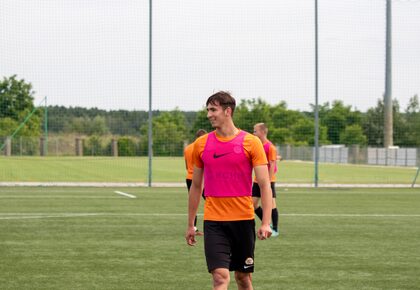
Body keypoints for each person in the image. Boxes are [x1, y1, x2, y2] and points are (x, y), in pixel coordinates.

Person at [185, 91, 272, 290]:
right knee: (220, 277)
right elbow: (196, 186)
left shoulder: (251, 142)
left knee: (243, 278)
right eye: (207, 110)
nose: (209, 114)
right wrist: (191, 224)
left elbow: (264, 184)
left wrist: (266, 222)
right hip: (214, 222)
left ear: (228, 111)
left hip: (243, 220)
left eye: (213, 109)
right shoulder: (201, 144)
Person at [252, 123, 280, 237]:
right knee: (252, 204)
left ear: (263, 132)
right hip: (256, 180)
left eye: (255, 131)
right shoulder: (257, 145)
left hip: (268, 180)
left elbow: (272, 164)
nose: (253, 133)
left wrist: (268, 180)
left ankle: (275, 229)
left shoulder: (270, 147)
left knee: (271, 204)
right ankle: (266, 222)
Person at [184, 128, 207, 235]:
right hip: (201, 178)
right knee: (211, 202)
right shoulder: (202, 147)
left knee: (194, 203)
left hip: (189, 177)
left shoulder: (187, 148)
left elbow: (186, 165)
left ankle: (193, 227)